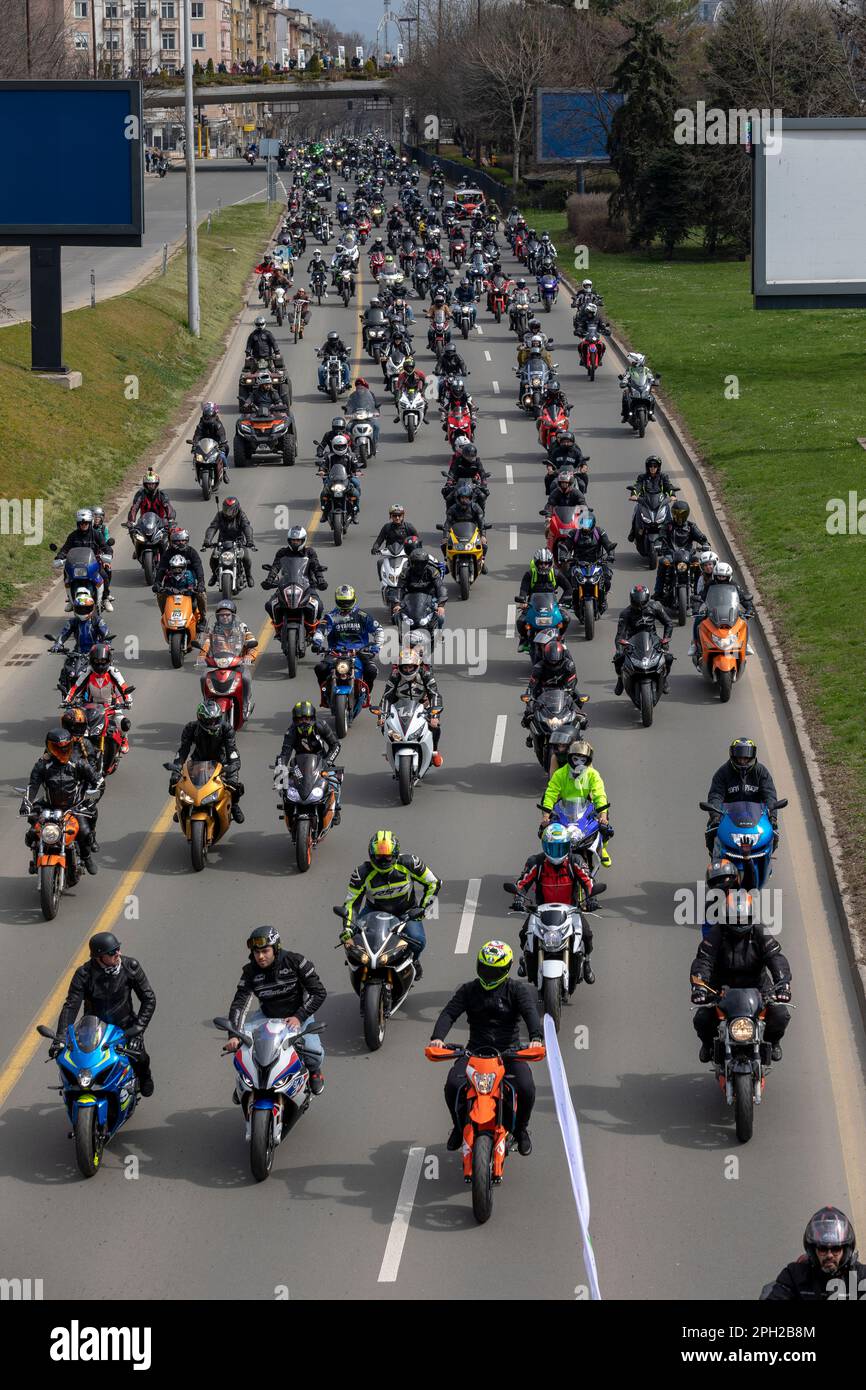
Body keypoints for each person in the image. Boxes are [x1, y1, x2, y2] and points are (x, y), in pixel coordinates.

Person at [430, 942, 544, 1154]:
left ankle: (521, 1130)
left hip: (509, 1052)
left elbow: (530, 1013)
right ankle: (458, 1126)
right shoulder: (468, 990)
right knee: (453, 1085)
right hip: (474, 1052)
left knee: (527, 1087)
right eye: (485, 968)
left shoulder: (517, 990)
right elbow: (448, 1013)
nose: (489, 974)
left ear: (506, 969)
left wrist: (536, 1037)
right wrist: (437, 1038)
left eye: (494, 970)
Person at [51, 932, 156, 1096]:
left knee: (141, 1058)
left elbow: (149, 999)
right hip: (94, 1030)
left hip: (125, 1026)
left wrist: (138, 1029)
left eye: (118, 949)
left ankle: (145, 1077)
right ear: (99, 956)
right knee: (77, 1064)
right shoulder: (83, 974)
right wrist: (60, 1038)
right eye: (112, 952)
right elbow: (71, 1006)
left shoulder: (131, 967)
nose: (118, 954)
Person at [225, 927, 327, 1096]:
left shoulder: (296, 962)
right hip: (267, 1016)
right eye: (256, 952)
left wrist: (299, 1017)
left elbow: (319, 993)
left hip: (297, 1014)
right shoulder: (250, 971)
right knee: (243, 1047)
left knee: (313, 1052)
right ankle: (245, 1080)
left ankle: (315, 1072)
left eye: (265, 951)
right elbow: (239, 1004)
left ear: (276, 948)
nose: (260, 957)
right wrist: (234, 1035)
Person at [690, 911, 791, 1063]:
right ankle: (708, 1045)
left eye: (743, 918)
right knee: (702, 1019)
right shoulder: (717, 932)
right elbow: (704, 960)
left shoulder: (760, 931)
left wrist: (783, 985)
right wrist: (700, 987)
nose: (738, 922)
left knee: (780, 1015)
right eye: (734, 918)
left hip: (758, 987)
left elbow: (776, 958)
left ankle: (773, 1043)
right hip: (721, 988)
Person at [340, 830, 441, 977]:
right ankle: (356, 966)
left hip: (406, 912)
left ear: (395, 855)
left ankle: (414, 961)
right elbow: (350, 903)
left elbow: (434, 883)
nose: (383, 860)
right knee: (350, 940)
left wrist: (422, 909)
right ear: (371, 855)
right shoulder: (361, 873)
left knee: (418, 941)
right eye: (378, 856)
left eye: (387, 856)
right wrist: (348, 928)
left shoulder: (410, 863)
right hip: (373, 912)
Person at [514, 823, 597, 981]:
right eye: (553, 848)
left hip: (571, 910)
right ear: (545, 846)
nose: (557, 852)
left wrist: (592, 897)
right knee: (524, 934)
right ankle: (525, 960)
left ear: (567, 846)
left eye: (561, 847)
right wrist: (518, 897)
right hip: (540, 911)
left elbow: (589, 882)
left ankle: (586, 961)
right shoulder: (535, 862)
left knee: (587, 934)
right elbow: (521, 884)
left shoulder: (576, 861)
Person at [20, 728, 102, 876]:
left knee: (84, 833)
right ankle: (36, 855)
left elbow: (99, 781)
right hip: (49, 807)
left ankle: (86, 857)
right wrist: (26, 803)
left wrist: (92, 799)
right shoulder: (42, 766)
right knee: (33, 832)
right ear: (50, 747)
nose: (62, 750)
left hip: (74, 808)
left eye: (65, 747)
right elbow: (32, 786)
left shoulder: (79, 763)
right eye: (58, 747)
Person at [761, 1209, 866, 1300]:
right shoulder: (793, 1274)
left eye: (836, 1249)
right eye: (822, 1249)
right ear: (813, 1250)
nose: (829, 1255)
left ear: (845, 1250)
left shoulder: (861, 1276)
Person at [170, 699, 244, 822]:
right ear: (201, 719)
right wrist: (176, 769)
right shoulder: (190, 728)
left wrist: (234, 765)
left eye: (216, 719)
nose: (213, 723)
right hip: (198, 761)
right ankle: (181, 807)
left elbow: (232, 750)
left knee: (233, 784)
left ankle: (234, 805)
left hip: (221, 761)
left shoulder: (226, 728)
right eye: (210, 720)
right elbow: (183, 751)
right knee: (174, 783)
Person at [541, 739, 612, 867]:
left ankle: (602, 847)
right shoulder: (560, 774)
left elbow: (599, 794)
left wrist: (603, 816)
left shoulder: (593, 775)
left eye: (583, 760)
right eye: (576, 759)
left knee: (605, 825)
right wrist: (545, 816)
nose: (579, 763)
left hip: (585, 807)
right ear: (570, 758)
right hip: (564, 808)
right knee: (546, 832)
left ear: (588, 761)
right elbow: (550, 794)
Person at [704, 738, 779, 856]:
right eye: (739, 758)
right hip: (727, 817)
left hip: (757, 818)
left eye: (746, 758)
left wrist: (772, 816)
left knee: (774, 834)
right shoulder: (723, 772)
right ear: (733, 756)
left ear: (752, 757)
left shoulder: (761, 772)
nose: (743, 761)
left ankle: (765, 860)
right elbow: (715, 795)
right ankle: (716, 861)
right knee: (710, 832)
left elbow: (769, 795)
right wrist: (716, 816)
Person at [275, 700, 342, 825]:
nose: (304, 722)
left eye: (306, 718)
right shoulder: (291, 732)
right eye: (300, 719)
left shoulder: (321, 725)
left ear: (312, 718)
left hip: (321, 761)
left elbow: (335, 745)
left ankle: (336, 808)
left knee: (334, 778)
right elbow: (285, 753)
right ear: (295, 720)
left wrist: (328, 761)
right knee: (283, 784)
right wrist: (281, 766)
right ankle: (288, 810)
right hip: (299, 764)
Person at [312, 584, 382, 702]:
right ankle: (325, 694)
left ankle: (366, 694)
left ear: (353, 599)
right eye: (342, 602)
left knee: (371, 671)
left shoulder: (362, 616)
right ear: (337, 600)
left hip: (359, 652)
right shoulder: (331, 617)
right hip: (335, 652)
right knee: (320, 668)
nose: (345, 605)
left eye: (347, 602)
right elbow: (320, 631)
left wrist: (376, 646)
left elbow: (378, 630)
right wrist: (317, 643)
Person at [378, 646, 444, 766]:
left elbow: (435, 695)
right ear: (400, 667)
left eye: (410, 667)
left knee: (435, 727)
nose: (408, 670)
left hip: (422, 706)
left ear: (417, 666)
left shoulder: (426, 674)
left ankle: (434, 750)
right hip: (399, 707)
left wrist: (435, 715)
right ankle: (391, 747)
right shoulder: (395, 676)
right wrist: (382, 716)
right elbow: (386, 696)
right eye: (405, 667)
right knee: (385, 725)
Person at [197, 599, 258, 717]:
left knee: (245, 678)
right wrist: (201, 656)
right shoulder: (213, 629)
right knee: (203, 677)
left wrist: (249, 656)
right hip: (216, 664)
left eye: (228, 615)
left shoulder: (242, 627)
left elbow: (252, 643)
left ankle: (245, 705)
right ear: (217, 617)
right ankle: (206, 701)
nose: (225, 617)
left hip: (237, 664)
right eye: (221, 615)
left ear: (233, 615)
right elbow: (206, 643)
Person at [613, 584, 673, 695]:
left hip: (653, 638)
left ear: (647, 600)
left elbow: (668, 623)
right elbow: (619, 635)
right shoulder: (625, 614)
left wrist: (665, 639)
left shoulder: (655, 606)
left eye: (642, 603)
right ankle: (620, 680)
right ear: (631, 600)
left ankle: (664, 679)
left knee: (668, 657)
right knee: (618, 658)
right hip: (632, 640)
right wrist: (619, 648)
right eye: (636, 604)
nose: (639, 606)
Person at [689, 559, 754, 655]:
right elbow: (701, 597)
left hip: (732, 611)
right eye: (719, 576)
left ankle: (746, 644)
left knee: (744, 622)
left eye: (724, 576)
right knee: (698, 620)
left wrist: (749, 608)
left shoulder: (734, 585)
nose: (721, 578)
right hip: (712, 611)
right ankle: (695, 644)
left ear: (729, 576)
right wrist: (696, 608)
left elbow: (743, 597)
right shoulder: (710, 584)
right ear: (715, 575)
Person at [516, 550, 572, 649]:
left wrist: (562, 602)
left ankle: (560, 636)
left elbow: (568, 589)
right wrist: (523, 601)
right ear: (536, 563)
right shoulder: (529, 575)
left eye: (546, 563)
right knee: (520, 621)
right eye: (541, 563)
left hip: (552, 606)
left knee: (566, 619)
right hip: (533, 606)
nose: (543, 566)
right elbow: (523, 590)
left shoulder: (556, 574)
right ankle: (524, 640)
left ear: (550, 563)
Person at [653, 500, 708, 600]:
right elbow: (660, 536)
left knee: (698, 563)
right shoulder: (667, 526)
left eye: (681, 514)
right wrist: (658, 544)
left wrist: (705, 543)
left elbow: (701, 537)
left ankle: (698, 592)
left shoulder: (691, 527)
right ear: (672, 513)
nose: (678, 517)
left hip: (688, 555)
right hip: (671, 554)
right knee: (662, 562)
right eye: (676, 514)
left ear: (686, 514)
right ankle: (658, 591)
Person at [155, 526, 207, 622]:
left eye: (183, 540)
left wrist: (201, 583)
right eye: (178, 541)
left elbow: (198, 568)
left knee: (201, 595)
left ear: (187, 540)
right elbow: (161, 568)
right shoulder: (168, 553)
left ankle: (203, 619)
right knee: (159, 594)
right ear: (172, 542)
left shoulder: (192, 552)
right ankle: (165, 615)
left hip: (189, 584)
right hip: (171, 583)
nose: (181, 543)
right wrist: (157, 582)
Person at [203, 496, 255, 589]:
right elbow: (213, 527)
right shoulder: (219, 515)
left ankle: (248, 576)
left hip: (238, 542)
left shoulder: (241, 515)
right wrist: (207, 540)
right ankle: (214, 575)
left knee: (246, 558)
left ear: (236, 509)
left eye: (230, 510)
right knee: (213, 559)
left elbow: (247, 527)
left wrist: (249, 540)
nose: (227, 512)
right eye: (226, 509)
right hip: (222, 542)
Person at [395, 546, 447, 629]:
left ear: (426, 563)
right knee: (396, 615)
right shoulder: (405, 572)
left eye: (421, 563)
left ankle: (439, 635)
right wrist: (397, 604)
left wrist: (441, 605)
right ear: (411, 562)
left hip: (430, 598)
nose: (418, 566)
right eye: (416, 563)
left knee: (440, 617)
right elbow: (399, 588)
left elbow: (440, 587)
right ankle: (401, 636)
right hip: (410, 600)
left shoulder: (433, 571)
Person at [441, 481, 488, 571]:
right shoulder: (452, 509)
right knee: (443, 544)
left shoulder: (476, 508)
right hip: (456, 533)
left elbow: (481, 522)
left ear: (470, 498)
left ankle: (482, 561)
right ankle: (447, 562)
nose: (464, 500)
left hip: (473, 533)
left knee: (484, 545)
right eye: (462, 498)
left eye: (466, 498)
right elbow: (447, 523)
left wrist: (483, 535)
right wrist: (445, 536)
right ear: (458, 498)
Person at [627, 456, 676, 541]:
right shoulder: (642, 477)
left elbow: (669, 486)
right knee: (636, 510)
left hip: (660, 502)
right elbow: (637, 486)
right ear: (647, 467)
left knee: (670, 516)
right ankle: (632, 531)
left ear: (658, 467)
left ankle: (672, 534)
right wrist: (634, 495)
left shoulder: (663, 477)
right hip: (645, 502)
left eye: (655, 466)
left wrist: (672, 495)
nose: (652, 468)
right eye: (650, 466)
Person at [191, 400, 229, 480]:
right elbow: (197, 435)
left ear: (214, 414)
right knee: (196, 457)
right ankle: (197, 472)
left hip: (216, 445)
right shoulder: (201, 425)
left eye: (210, 415)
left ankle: (224, 472)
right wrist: (194, 445)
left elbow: (222, 434)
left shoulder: (218, 424)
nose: (208, 417)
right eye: (206, 415)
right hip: (204, 445)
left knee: (222, 456)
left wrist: (222, 443)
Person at [393, 357, 429, 423]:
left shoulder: (419, 373)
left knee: (425, 403)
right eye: (407, 367)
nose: (409, 369)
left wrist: (422, 391)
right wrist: (397, 395)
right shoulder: (402, 375)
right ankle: (399, 415)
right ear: (404, 368)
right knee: (398, 402)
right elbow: (398, 387)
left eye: (410, 367)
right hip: (406, 388)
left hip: (417, 388)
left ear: (413, 367)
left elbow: (425, 382)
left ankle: (423, 416)